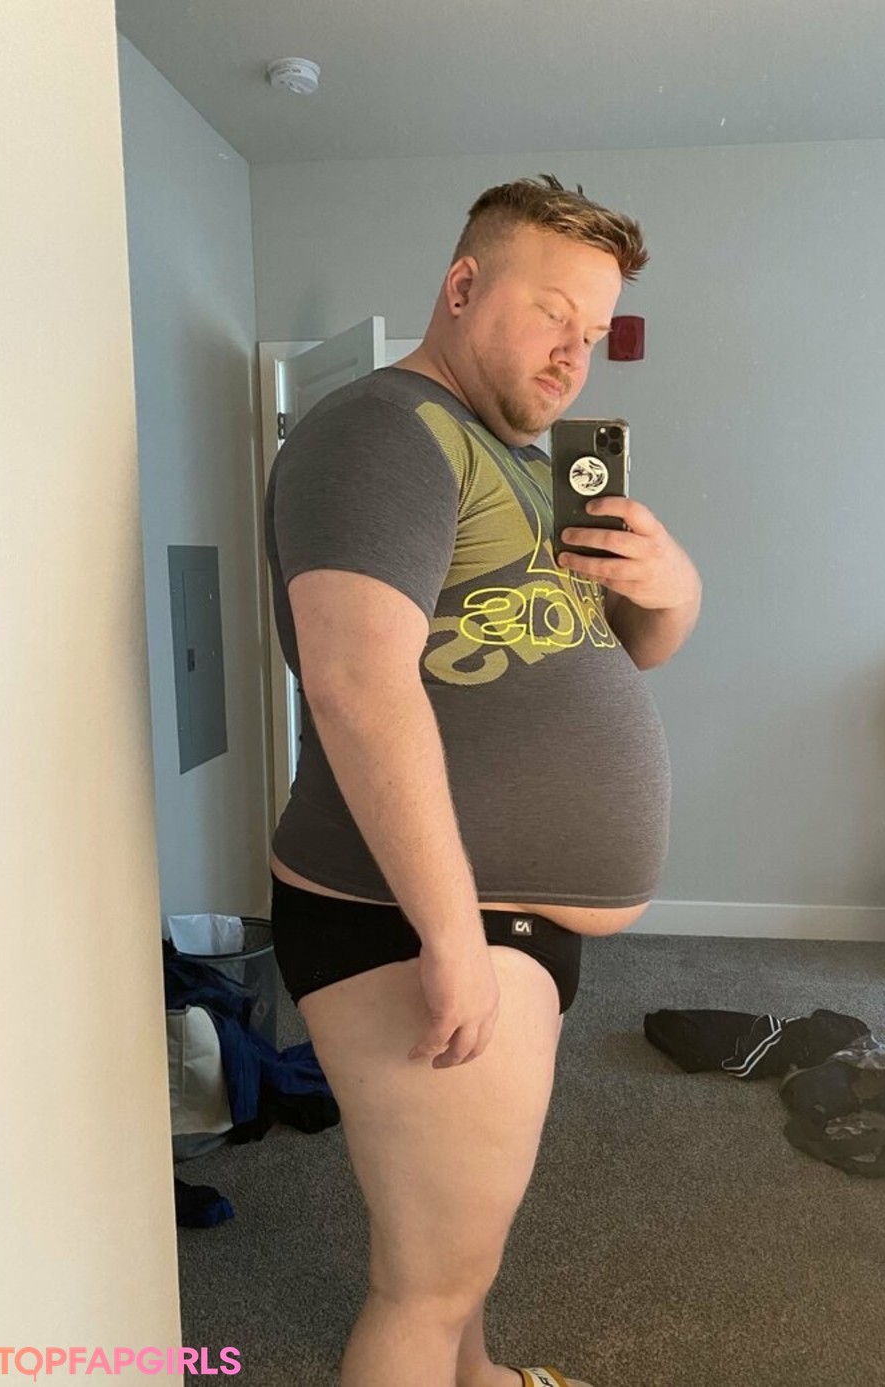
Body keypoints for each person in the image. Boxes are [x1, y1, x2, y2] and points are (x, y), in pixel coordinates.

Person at [264, 174, 701, 1387]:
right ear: (463, 287)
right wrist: (450, 931)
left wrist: (669, 582)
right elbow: (357, 683)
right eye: (553, 313)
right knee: (422, 1285)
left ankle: (485, 1378)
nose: (575, 353)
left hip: (492, 917)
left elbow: (627, 649)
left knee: (462, 1249)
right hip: (417, 918)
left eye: (594, 330)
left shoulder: (518, 462)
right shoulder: (379, 431)